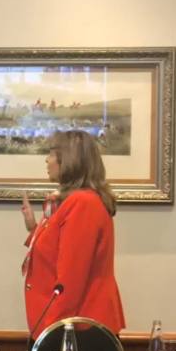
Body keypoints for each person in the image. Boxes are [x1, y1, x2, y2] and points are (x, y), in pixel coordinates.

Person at [20, 130, 125, 339]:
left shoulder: (83, 203)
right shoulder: (73, 201)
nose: (47, 160)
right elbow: (58, 252)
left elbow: (70, 279)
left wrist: (51, 333)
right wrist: (33, 229)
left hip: (78, 329)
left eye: (51, 154)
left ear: (68, 160)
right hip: (70, 325)